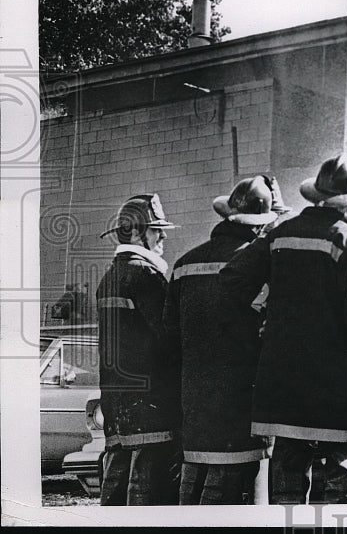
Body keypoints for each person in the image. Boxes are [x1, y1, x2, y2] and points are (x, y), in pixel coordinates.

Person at [220, 153, 347, 504]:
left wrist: (264, 318)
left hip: (280, 382)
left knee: (286, 476)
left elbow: (232, 280)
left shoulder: (281, 233)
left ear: (315, 195)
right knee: (338, 478)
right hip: (334, 387)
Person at [163, 175, 281, 505]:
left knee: (192, 497)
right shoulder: (262, 266)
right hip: (242, 411)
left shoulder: (185, 264)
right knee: (237, 506)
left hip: (195, 408)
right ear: (259, 225)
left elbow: (169, 339)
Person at [96, 193, 182, 506]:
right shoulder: (146, 276)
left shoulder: (110, 277)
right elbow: (170, 340)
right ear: (137, 232)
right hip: (153, 409)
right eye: (156, 229)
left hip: (118, 409)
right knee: (150, 495)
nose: (163, 235)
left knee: (116, 490)